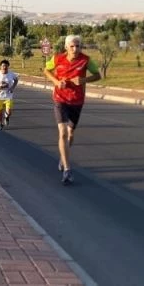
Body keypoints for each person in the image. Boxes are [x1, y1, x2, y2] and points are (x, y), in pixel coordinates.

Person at [44, 35, 101, 185]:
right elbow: (46, 70)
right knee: (62, 132)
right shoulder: (57, 58)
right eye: (72, 46)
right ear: (66, 47)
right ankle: (67, 169)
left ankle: (64, 157)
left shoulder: (86, 60)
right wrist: (56, 82)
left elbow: (98, 75)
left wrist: (83, 80)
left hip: (77, 100)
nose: (76, 49)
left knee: (70, 133)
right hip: (60, 99)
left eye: (78, 46)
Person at [0, 59, 19, 131]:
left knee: (9, 112)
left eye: (6, 66)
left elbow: (16, 80)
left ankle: (7, 117)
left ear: (8, 66)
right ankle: (0, 123)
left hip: (8, 95)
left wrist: (12, 87)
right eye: (3, 66)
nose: (4, 67)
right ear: (0, 66)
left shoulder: (11, 74)